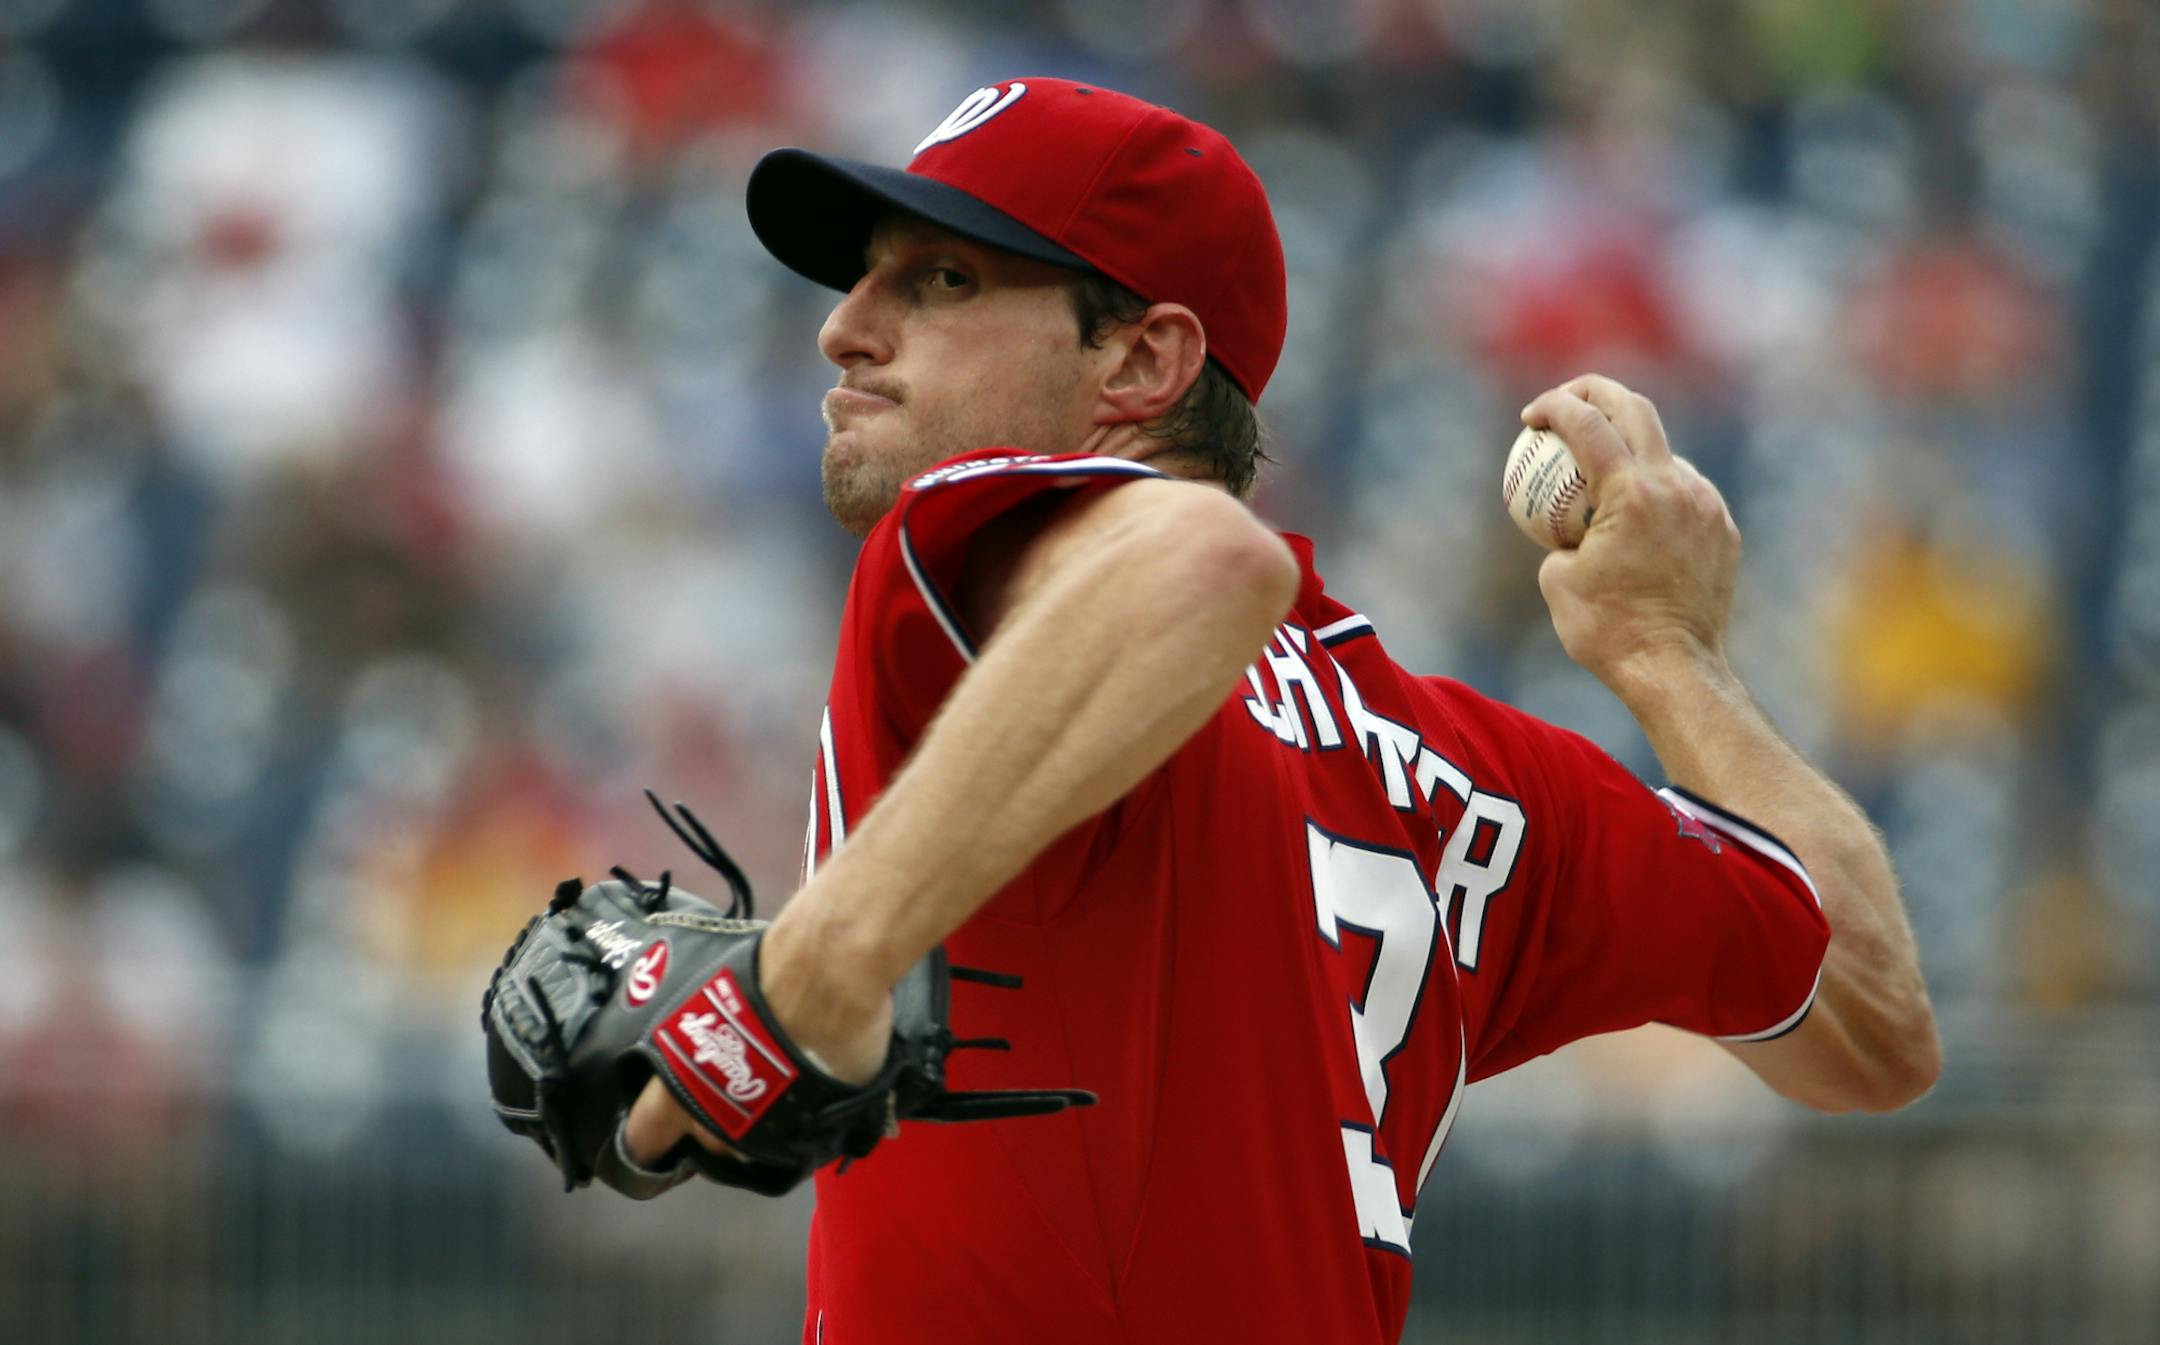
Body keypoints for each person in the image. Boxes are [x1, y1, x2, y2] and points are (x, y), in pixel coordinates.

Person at [620, 78, 1939, 1344]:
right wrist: (1672, 660)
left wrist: (814, 964)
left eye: (942, 280)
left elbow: (1211, 561)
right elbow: (1872, 1017)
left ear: (1145, 357)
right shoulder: (1458, 771)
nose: (846, 324)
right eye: (866, 276)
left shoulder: (975, 557)